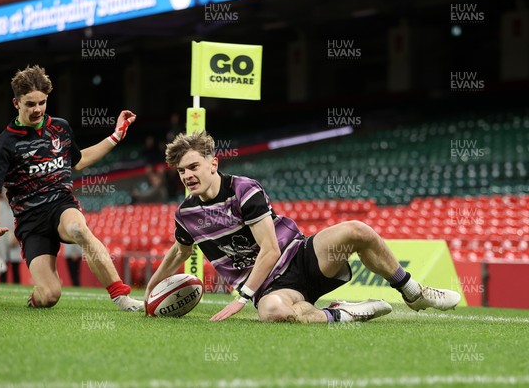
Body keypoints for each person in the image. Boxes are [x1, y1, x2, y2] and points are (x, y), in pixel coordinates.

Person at [145, 131, 461, 323]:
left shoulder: (244, 190)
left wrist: (242, 298)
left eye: (193, 167)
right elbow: (179, 252)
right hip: (271, 287)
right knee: (273, 313)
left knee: (357, 231)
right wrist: (150, 291)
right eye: (181, 171)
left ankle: (412, 291)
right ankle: (344, 313)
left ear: (213, 163)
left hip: (300, 256)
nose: (187, 175)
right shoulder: (186, 214)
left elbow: (270, 250)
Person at [0, 65, 142, 311]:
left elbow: (79, 161)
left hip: (61, 205)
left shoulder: (61, 128)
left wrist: (116, 136)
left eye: (42, 103)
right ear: (16, 103)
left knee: (79, 228)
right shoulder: (4, 144)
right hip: (30, 221)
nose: (37, 109)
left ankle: (121, 297)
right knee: (50, 295)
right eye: (30, 104)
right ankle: (36, 297)